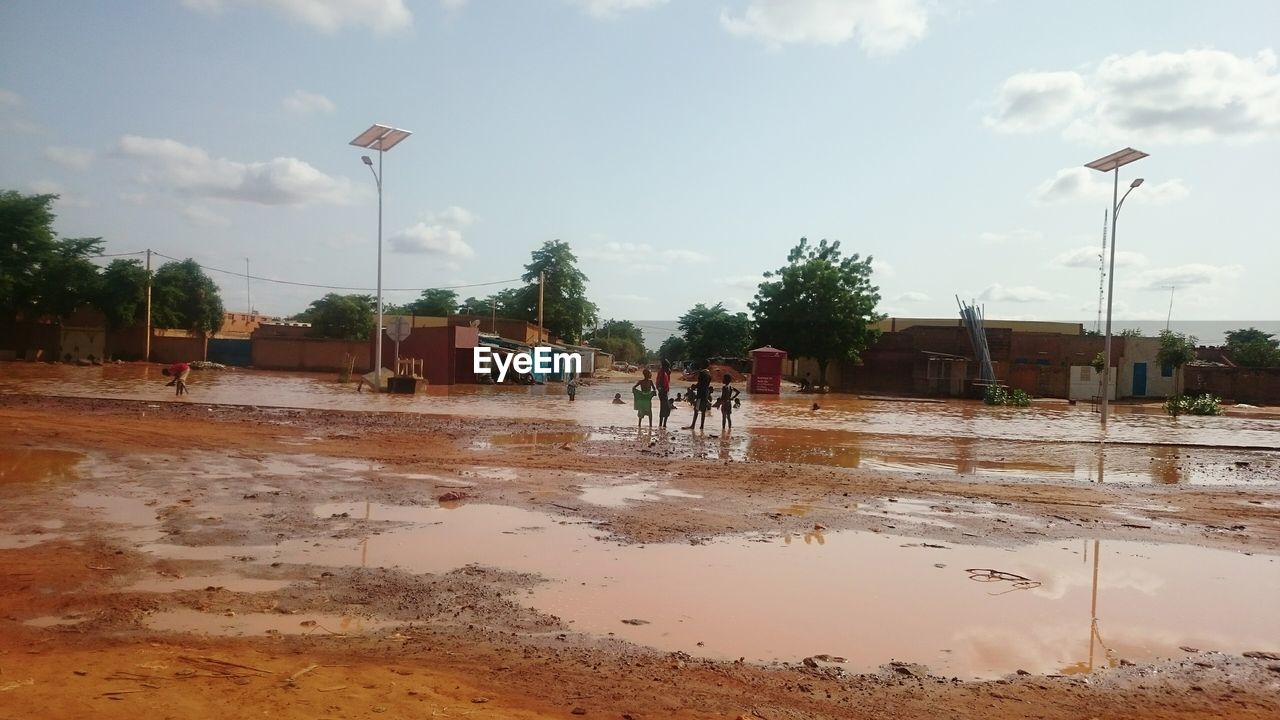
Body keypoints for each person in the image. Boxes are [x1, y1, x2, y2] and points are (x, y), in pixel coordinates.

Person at [656, 359, 672, 429]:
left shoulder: (665, 372)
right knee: (666, 408)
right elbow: (658, 382)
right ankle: (663, 424)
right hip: (663, 393)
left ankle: (662, 424)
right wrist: (660, 389)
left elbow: (667, 382)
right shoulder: (662, 372)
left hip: (664, 392)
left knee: (664, 408)